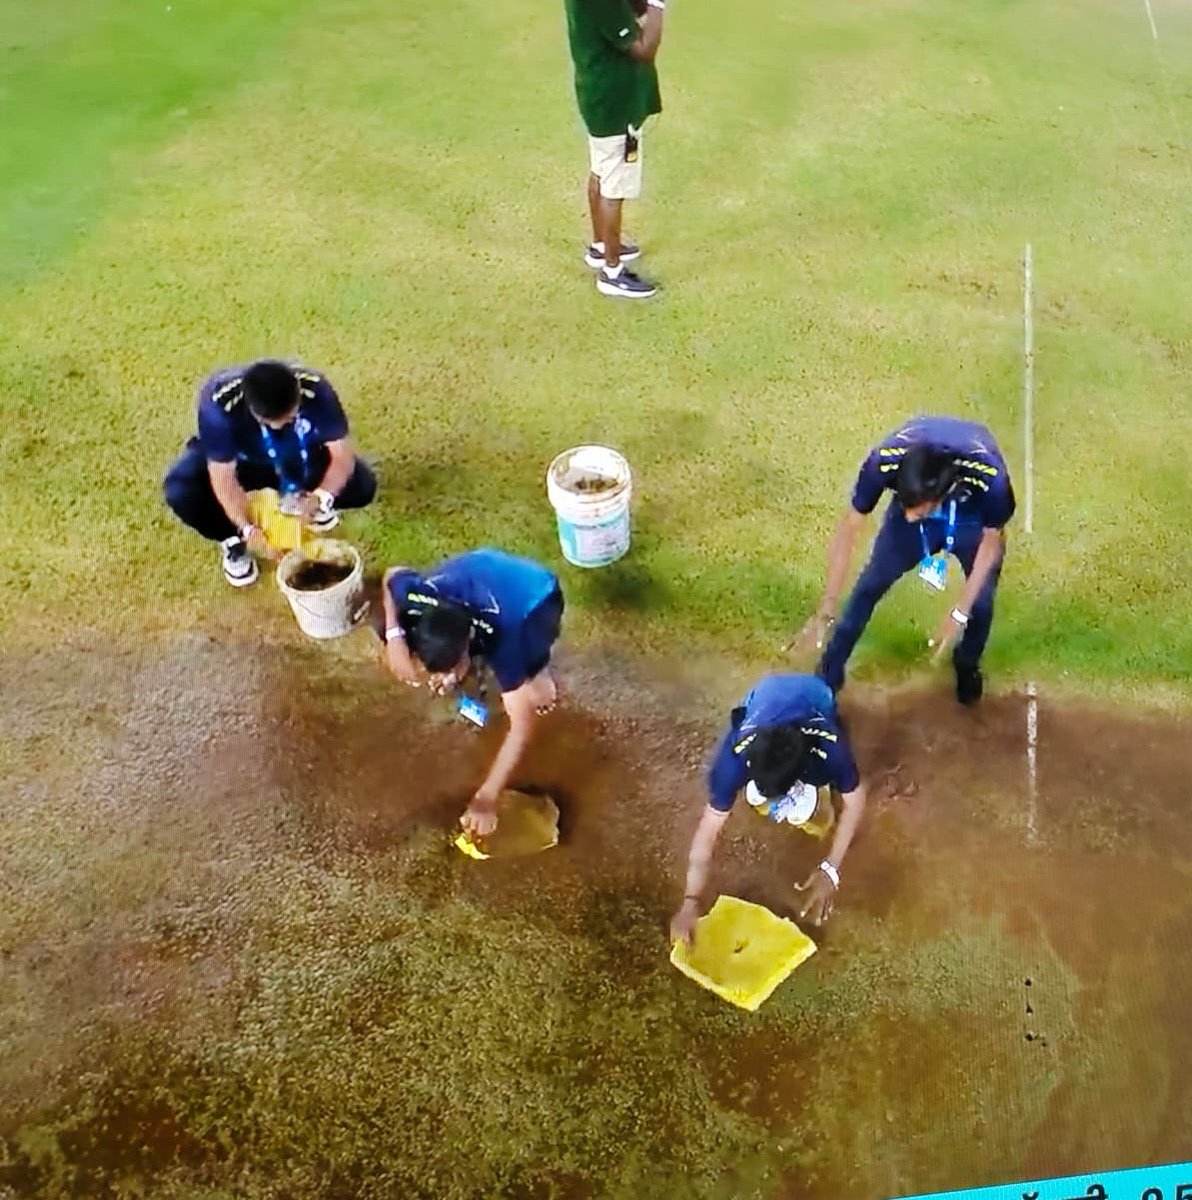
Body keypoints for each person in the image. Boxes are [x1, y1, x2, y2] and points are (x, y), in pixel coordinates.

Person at [793, 415, 1016, 706]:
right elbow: (850, 527)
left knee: (981, 604)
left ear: (940, 495)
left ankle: (966, 664)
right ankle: (829, 674)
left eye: (918, 510)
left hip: (970, 516)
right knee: (869, 586)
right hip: (922, 506)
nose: (911, 517)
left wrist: (960, 612)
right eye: (906, 505)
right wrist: (826, 608)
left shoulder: (992, 479)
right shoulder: (883, 462)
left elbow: (991, 544)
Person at [670, 673, 867, 945]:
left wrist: (831, 869)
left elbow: (856, 801)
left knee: (824, 799)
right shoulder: (733, 759)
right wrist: (690, 901)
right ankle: (776, 792)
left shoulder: (828, 745)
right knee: (763, 797)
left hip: (816, 694)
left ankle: (812, 791)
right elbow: (707, 831)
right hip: (763, 693)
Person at [381, 549, 564, 837]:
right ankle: (464, 663)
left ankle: (536, 671)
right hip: (477, 569)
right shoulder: (417, 597)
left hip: (534, 596)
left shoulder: (506, 638)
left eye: (451, 667)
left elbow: (522, 727)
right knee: (463, 657)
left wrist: (486, 798)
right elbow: (393, 572)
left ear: (468, 640)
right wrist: (394, 638)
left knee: (534, 687)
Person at [163, 360, 376, 587]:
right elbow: (222, 475)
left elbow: (341, 453)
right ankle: (234, 540)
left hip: (298, 453)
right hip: (244, 461)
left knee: (361, 486)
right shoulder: (218, 406)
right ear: (253, 410)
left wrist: (321, 496)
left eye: (290, 416)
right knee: (181, 490)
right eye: (275, 420)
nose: (284, 422)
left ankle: (307, 505)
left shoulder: (316, 389)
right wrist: (247, 528)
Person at [563, 0, 665, 299]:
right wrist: (659, 5)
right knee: (613, 185)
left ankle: (600, 246)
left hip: (600, 97)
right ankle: (612, 272)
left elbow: (633, 10)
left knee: (601, 170)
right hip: (615, 104)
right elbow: (644, 50)